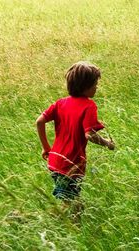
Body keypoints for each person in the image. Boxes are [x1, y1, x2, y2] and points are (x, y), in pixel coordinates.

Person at [36, 61, 115, 220]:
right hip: (71, 164)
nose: (97, 87)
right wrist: (107, 143)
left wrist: (46, 147)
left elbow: (39, 121)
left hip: (54, 161)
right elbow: (89, 135)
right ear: (85, 86)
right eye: (95, 84)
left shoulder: (60, 103)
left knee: (68, 199)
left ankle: (59, 222)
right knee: (74, 205)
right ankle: (64, 227)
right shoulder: (89, 106)